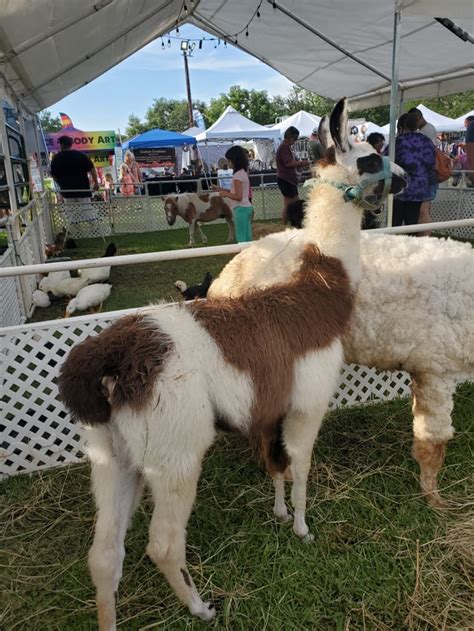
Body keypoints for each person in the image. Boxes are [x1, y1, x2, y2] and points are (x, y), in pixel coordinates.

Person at [393, 111, 436, 228]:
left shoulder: (397, 142)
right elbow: (432, 164)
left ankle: (393, 245)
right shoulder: (427, 141)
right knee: (412, 223)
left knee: (395, 222)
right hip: (419, 188)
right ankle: (411, 245)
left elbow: (387, 162)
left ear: (401, 127)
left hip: (399, 187)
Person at [214, 145, 253, 242]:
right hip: (247, 207)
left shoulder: (237, 176)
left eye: (229, 160)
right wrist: (221, 189)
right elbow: (238, 192)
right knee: (247, 236)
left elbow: (238, 196)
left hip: (241, 209)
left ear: (235, 160)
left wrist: (225, 194)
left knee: (241, 238)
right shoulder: (243, 172)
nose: (228, 163)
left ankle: (244, 255)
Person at [50, 135, 99, 201]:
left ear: (61, 145)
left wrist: (61, 184)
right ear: (71, 144)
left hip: (68, 193)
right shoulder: (80, 155)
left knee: (71, 211)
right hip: (83, 192)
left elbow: (53, 174)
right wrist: (96, 183)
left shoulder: (56, 158)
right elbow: (92, 168)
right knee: (86, 211)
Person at [276, 126, 308, 224]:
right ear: (290, 137)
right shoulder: (284, 147)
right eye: (295, 138)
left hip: (288, 180)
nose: (295, 141)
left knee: (293, 203)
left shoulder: (286, 147)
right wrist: (301, 163)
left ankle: (290, 222)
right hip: (286, 179)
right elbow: (289, 163)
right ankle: (284, 223)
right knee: (289, 204)